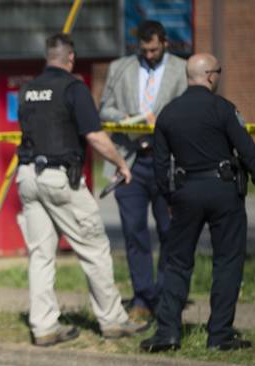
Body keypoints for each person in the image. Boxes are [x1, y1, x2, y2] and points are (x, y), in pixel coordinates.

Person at [16, 33, 148, 346]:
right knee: (95, 248)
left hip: (28, 178)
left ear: (48, 56)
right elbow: (95, 136)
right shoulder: (74, 88)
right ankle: (113, 321)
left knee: (40, 255)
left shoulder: (29, 89)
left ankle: (44, 326)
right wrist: (121, 164)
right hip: (60, 180)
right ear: (70, 58)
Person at [141, 54, 255, 353]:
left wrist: (169, 197)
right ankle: (219, 336)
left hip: (185, 193)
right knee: (227, 262)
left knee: (177, 262)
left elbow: (160, 164)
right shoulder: (223, 109)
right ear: (209, 76)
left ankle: (167, 333)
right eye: (218, 71)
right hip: (224, 191)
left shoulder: (168, 113)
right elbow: (247, 151)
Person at [99, 20, 187, 322]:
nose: (149, 55)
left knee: (168, 232)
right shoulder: (120, 68)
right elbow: (104, 109)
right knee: (134, 233)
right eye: (144, 50)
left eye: (154, 49)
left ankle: (163, 295)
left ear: (164, 42)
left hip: (167, 161)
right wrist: (126, 119)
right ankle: (142, 297)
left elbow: (189, 108)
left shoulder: (181, 69)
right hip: (129, 162)